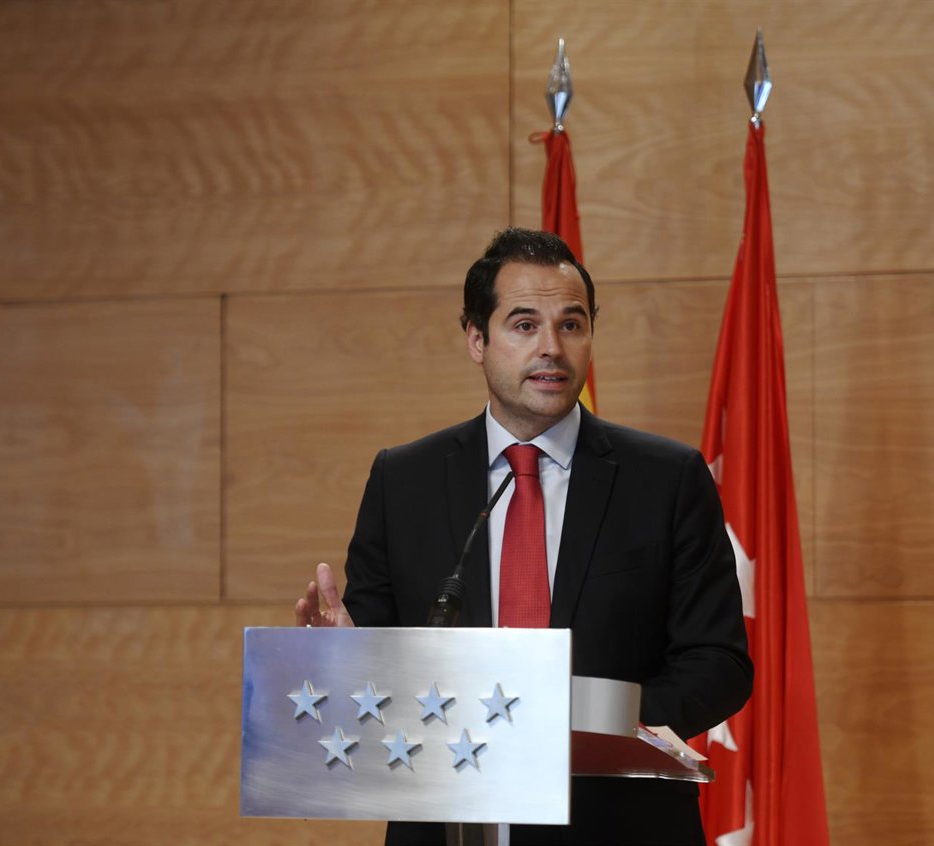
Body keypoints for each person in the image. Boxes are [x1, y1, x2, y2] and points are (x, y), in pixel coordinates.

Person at [295, 228, 752, 846]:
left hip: (618, 825)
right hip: (447, 822)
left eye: (571, 325)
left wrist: (587, 725)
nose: (552, 348)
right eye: (524, 324)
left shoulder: (666, 479)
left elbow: (719, 663)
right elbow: (382, 658)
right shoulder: (404, 480)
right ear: (476, 339)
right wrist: (343, 654)